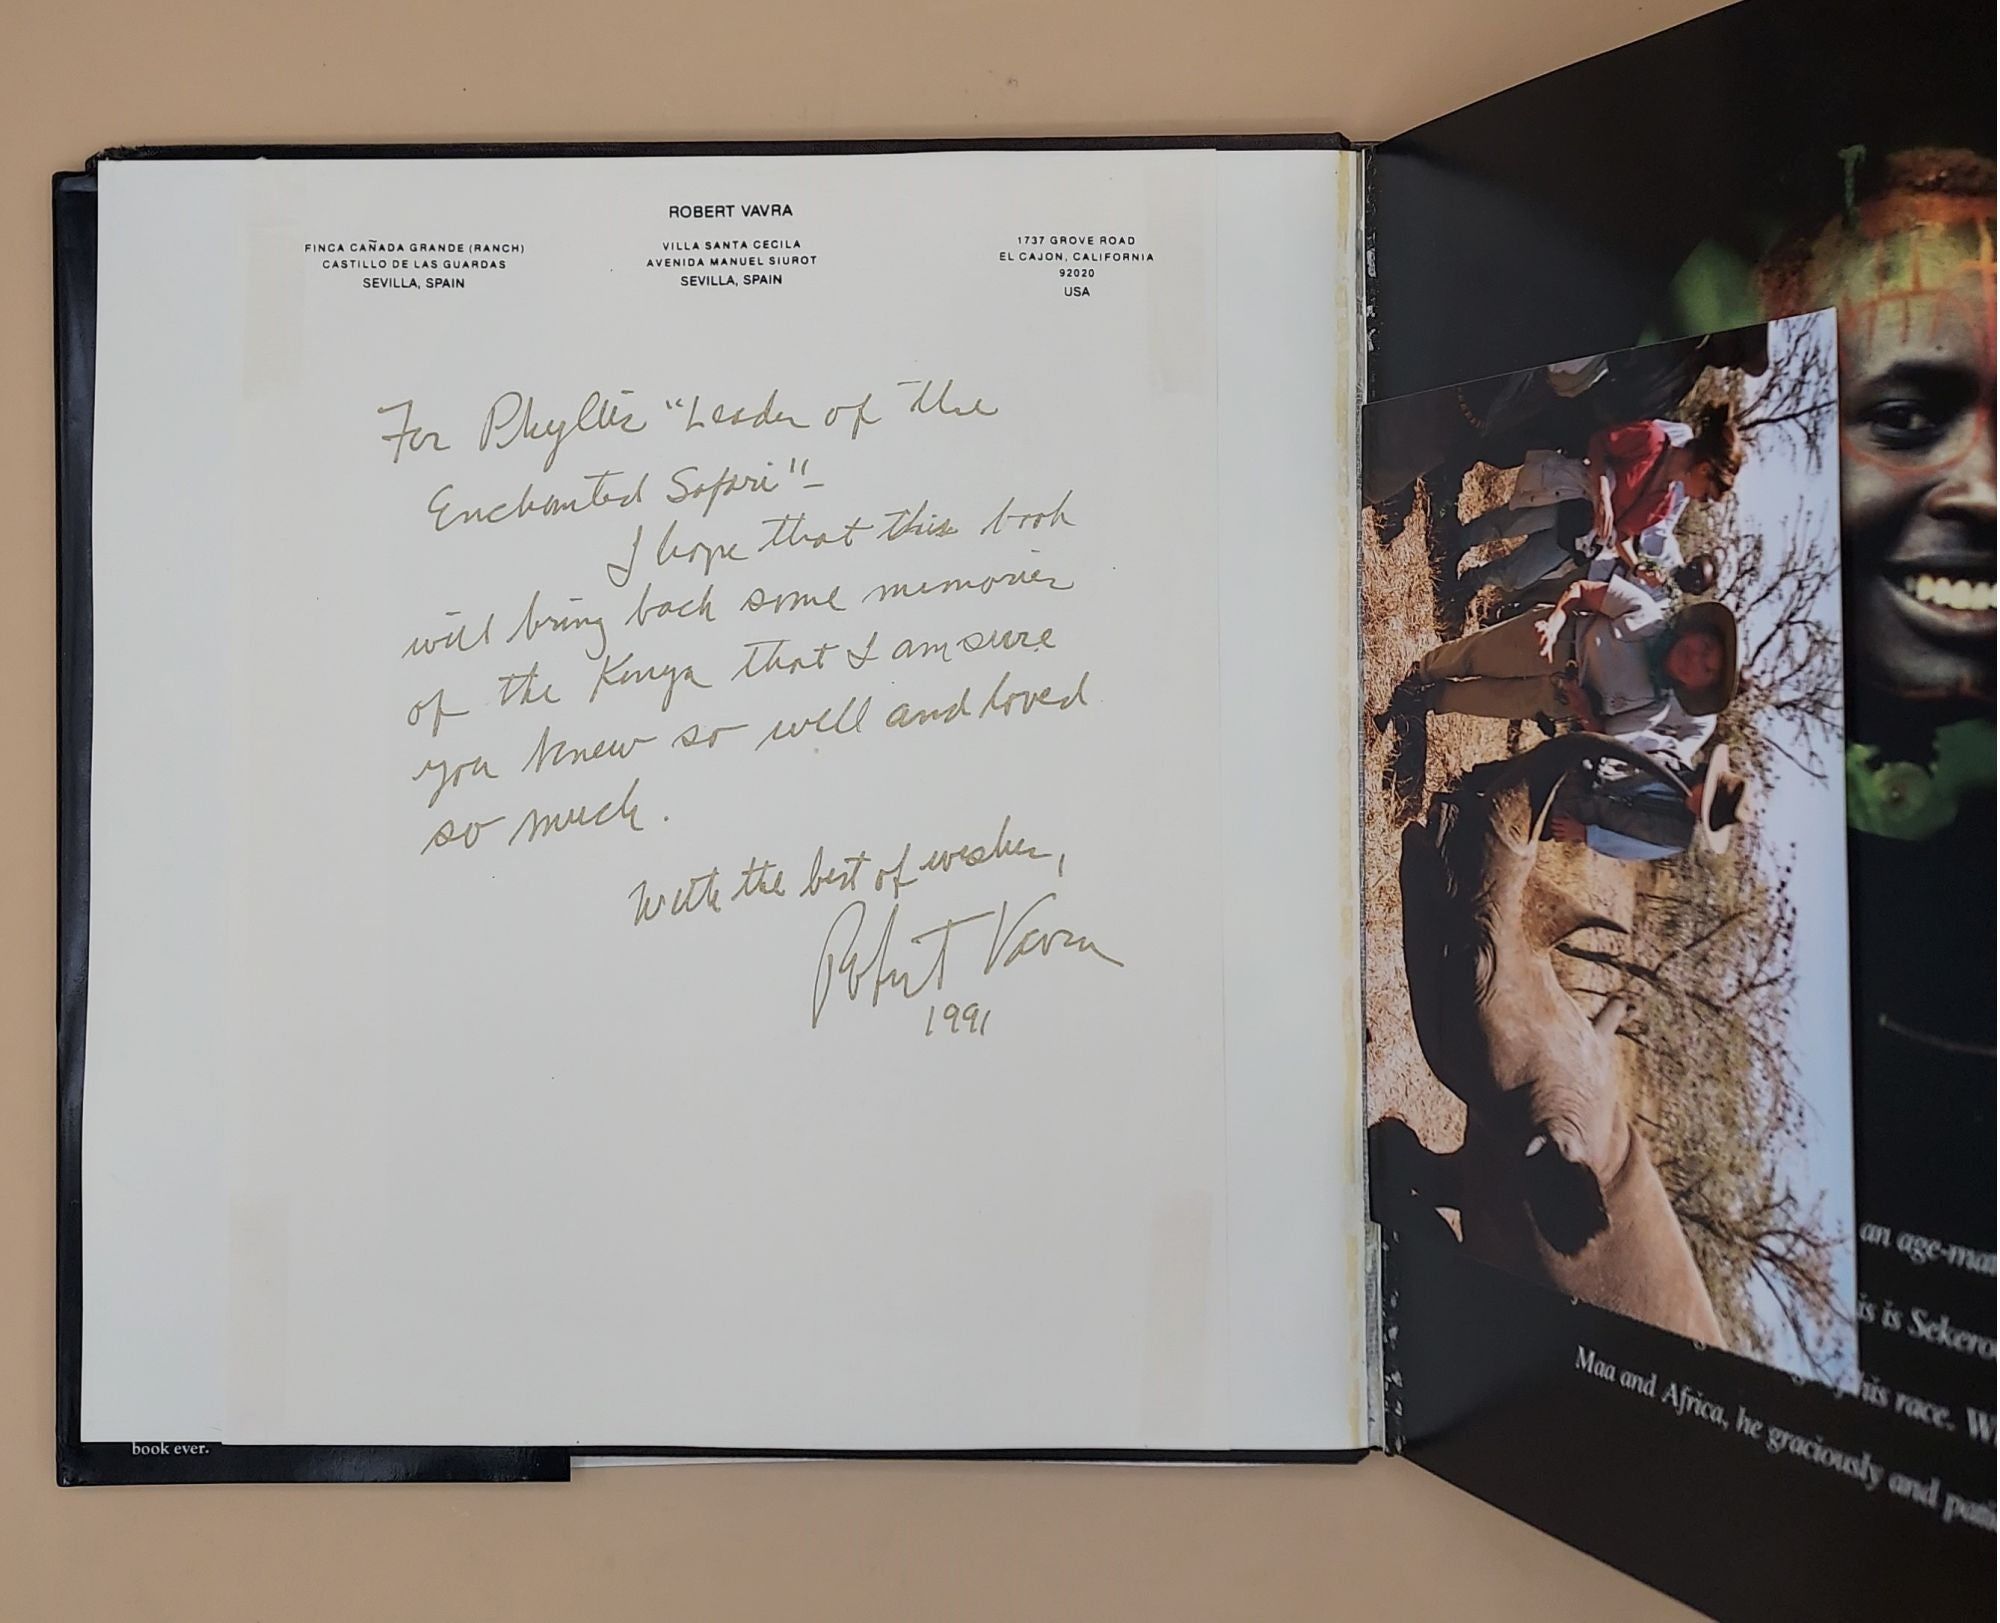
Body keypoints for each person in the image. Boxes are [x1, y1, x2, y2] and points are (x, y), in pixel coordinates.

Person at [1378, 577, 1738, 770]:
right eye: (1705, 647)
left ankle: (1419, 706)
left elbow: (1603, 735)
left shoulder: (1654, 708)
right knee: (1471, 656)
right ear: (1695, 631)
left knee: (1475, 700)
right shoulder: (1644, 612)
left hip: (1553, 700)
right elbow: (1581, 591)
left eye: (1707, 670)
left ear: (1698, 687)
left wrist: (1584, 710)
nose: (1696, 659)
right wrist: (1553, 623)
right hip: (1551, 639)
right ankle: (1417, 676)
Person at [1451, 404, 1743, 601]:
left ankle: (1470, 583)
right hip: (1570, 498)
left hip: (1578, 539)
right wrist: (1602, 492)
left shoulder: (1663, 505)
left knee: (1519, 576)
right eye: (1706, 494)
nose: (1700, 499)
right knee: (1504, 525)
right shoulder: (1652, 440)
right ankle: (1454, 542)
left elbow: (1622, 535)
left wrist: (1637, 567)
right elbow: (1600, 443)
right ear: (1704, 469)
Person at [1548, 744, 1755, 862]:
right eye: (1706, 798)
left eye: (1706, 811)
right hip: (1579, 770)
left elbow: (1628, 847)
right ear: (1705, 781)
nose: (1700, 806)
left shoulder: (1676, 837)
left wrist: (1583, 833)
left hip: (1577, 815)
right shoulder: (1672, 762)